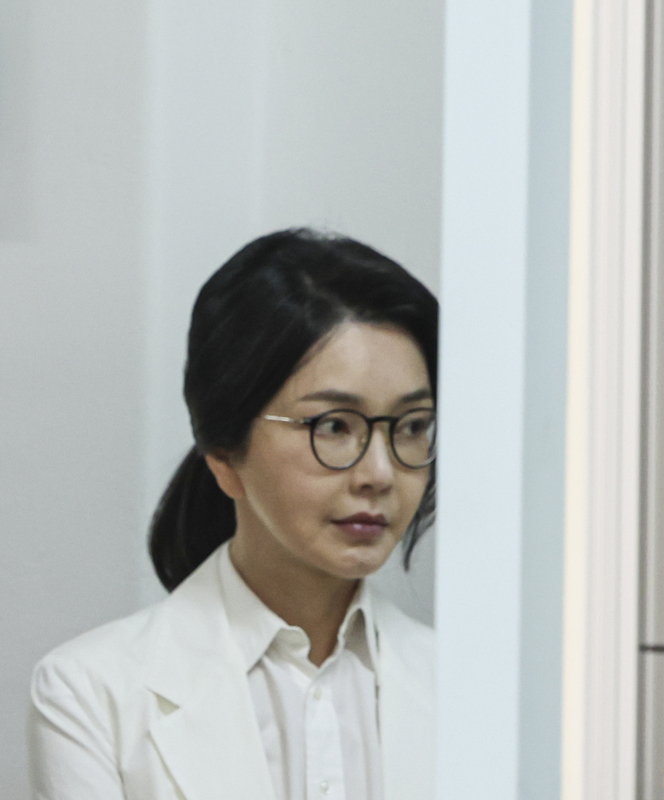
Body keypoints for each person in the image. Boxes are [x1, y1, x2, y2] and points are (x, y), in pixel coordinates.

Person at [29, 229, 437, 800]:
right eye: (333, 426)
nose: (380, 472)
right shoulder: (90, 695)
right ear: (223, 452)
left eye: (412, 426)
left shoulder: (473, 683)